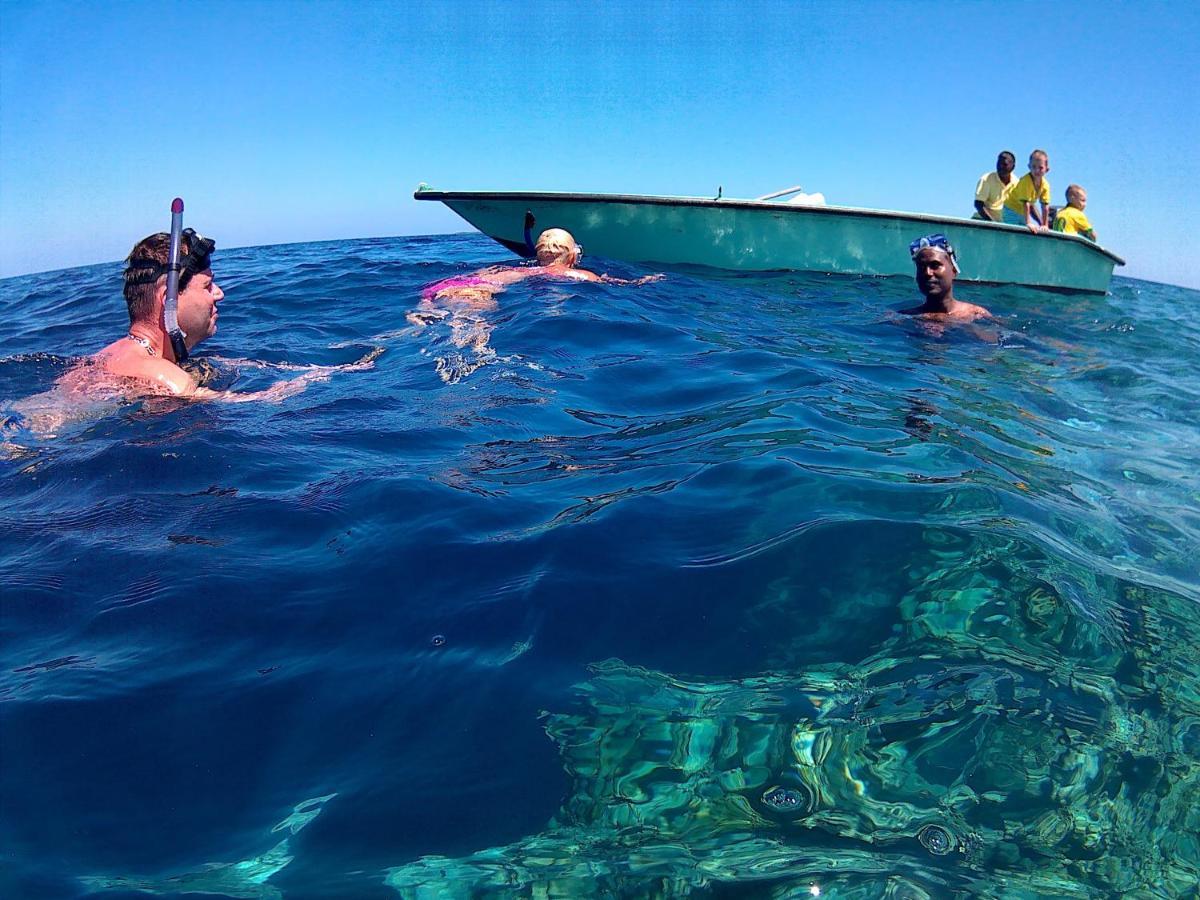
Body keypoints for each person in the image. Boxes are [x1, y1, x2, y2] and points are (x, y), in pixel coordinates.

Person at [57, 227, 378, 402]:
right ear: (168, 298)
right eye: (208, 285)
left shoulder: (114, 356)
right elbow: (253, 404)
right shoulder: (166, 378)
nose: (220, 293)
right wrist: (317, 382)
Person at [901, 234, 992, 324]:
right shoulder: (904, 318)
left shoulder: (976, 315)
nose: (927, 273)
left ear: (954, 270)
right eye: (921, 267)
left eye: (935, 265)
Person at [1002, 150, 1052, 233]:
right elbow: (1026, 203)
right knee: (1011, 234)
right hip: (1011, 209)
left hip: (1022, 212)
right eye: (1034, 167)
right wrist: (1028, 222)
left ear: (1047, 169)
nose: (1037, 170)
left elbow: (1045, 206)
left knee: (1022, 236)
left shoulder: (1046, 185)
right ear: (1029, 167)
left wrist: (1045, 224)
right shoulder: (1026, 181)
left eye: (1040, 168)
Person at [972, 151, 1019, 223]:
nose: (1001, 166)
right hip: (981, 222)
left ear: (1013, 167)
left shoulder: (1016, 183)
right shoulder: (986, 179)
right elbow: (978, 204)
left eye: (1004, 164)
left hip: (1001, 225)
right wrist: (993, 224)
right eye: (999, 163)